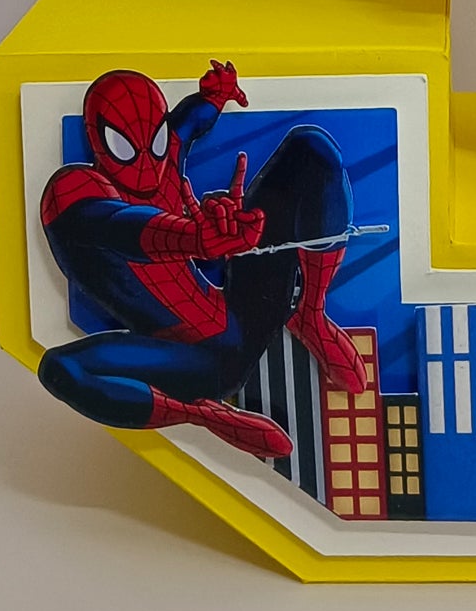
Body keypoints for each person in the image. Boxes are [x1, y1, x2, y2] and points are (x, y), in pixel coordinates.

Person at [36, 61, 366, 459]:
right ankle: (197, 413)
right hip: (195, 362)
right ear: (99, 140)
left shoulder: (166, 152)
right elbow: (119, 225)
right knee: (59, 368)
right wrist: (196, 236)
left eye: (156, 142)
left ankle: (310, 312)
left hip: (242, 308)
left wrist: (215, 95)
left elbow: (189, 121)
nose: (147, 164)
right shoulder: (73, 194)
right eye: (125, 148)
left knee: (312, 148)